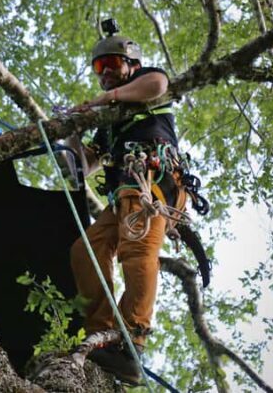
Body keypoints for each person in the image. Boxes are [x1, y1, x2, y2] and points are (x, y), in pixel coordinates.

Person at [68, 31, 187, 385]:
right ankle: (103, 331)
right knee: (86, 249)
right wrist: (73, 129)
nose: (103, 72)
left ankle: (132, 339)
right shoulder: (108, 126)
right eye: (97, 68)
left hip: (151, 181)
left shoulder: (144, 86)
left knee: (136, 251)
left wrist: (108, 98)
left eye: (110, 64)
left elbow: (158, 83)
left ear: (130, 63)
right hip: (124, 193)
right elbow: (81, 168)